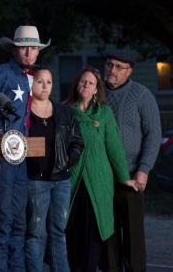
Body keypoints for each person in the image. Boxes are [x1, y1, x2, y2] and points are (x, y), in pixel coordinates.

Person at [0, 25, 50, 271]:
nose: (29, 52)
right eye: (24, 47)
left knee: (20, 222)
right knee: (2, 220)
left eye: (33, 48)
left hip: (21, 157)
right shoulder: (2, 72)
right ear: (14, 49)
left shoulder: (29, 77)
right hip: (3, 154)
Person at [65, 67, 138, 272]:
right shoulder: (66, 111)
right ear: (76, 85)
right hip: (74, 181)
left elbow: (114, 148)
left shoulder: (104, 113)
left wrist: (124, 178)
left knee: (96, 231)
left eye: (91, 83)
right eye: (82, 82)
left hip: (98, 181)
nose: (86, 85)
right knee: (74, 230)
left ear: (97, 89)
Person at [104, 52, 161, 272]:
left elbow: (153, 134)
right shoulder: (96, 93)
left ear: (129, 71)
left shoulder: (141, 95)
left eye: (119, 67)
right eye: (110, 65)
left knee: (133, 235)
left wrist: (144, 169)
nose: (113, 70)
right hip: (104, 176)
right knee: (108, 234)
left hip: (132, 174)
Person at [24, 66, 84, 272]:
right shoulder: (24, 112)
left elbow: (77, 142)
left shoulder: (65, 112)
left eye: (49, 82)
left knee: (59, 231)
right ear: (32, 84)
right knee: (36, 233)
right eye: (40, 81)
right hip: (35, 180)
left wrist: (67, 161)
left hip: (61, 181)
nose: (45, 86)